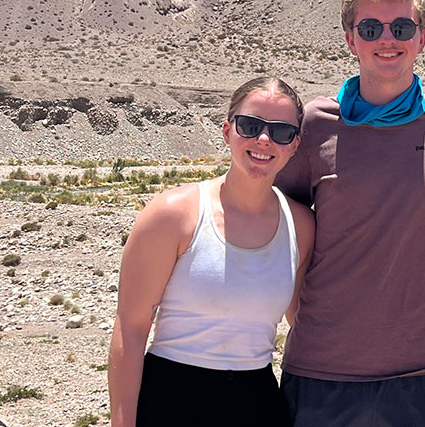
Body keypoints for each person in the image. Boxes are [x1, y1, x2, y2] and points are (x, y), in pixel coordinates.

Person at [274, 0, 425, 427]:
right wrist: (301, 316)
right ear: (351, 40)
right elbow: (283, 228)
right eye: (371, 27)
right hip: (321, 371)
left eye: (402, 26)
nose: (388, 39)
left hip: (419, 371)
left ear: (422, 38)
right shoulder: (316, 125)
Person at [107, 77, 315, 427]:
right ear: (227, 131)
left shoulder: (301, 225)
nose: (263, 140)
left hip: (258, 401)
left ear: (294, 145)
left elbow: (303, 324)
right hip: (172, 400)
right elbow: (130, 328)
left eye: (280, 132)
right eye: (250, 126)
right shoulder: (173, 214)